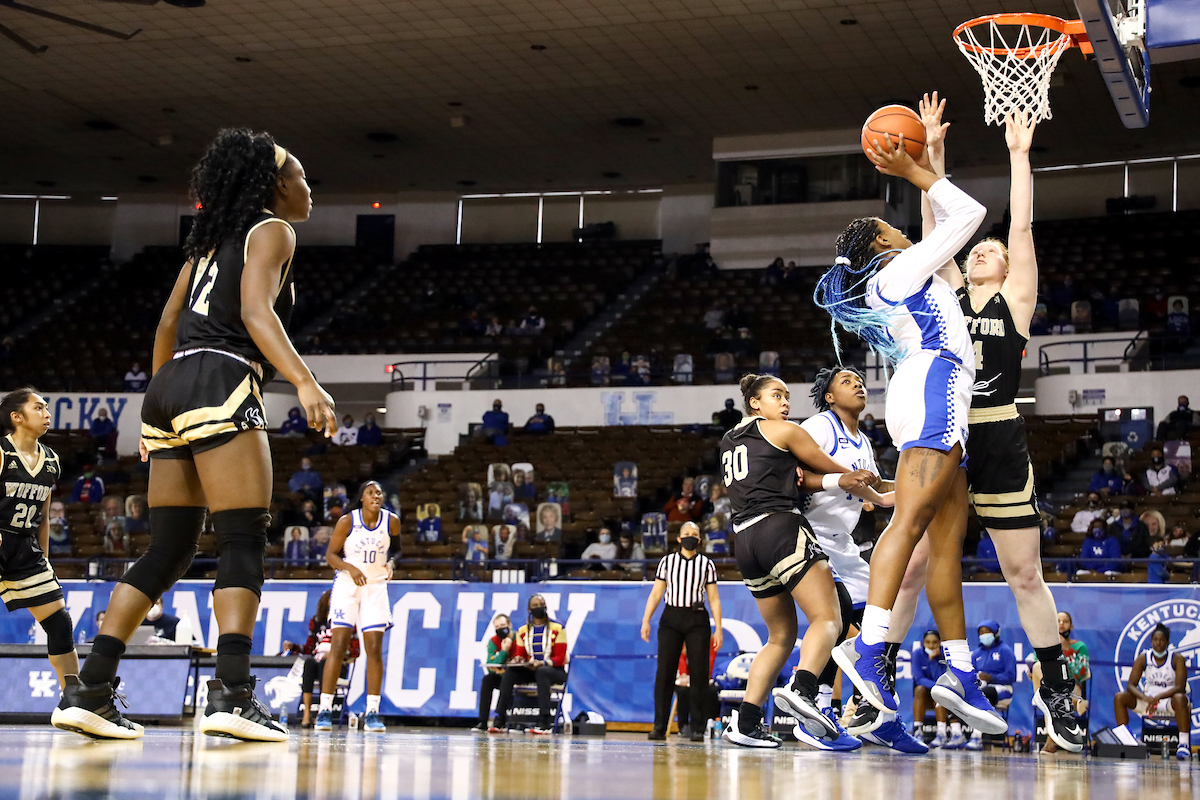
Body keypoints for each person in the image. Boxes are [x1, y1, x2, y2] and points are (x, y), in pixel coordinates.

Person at [54, 129, 336, 743]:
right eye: (302, 174)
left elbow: (165, 324)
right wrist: (307, 383)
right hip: (222, 374)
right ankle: (232, 694)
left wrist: (161, 414)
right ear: (275, 186)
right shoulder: (274, 230)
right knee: (242, 537)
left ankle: (90, 690)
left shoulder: (205, 245)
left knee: (168, 549)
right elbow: (258, 314)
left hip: (170, 383)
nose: (309, 187)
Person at [887, 101, 1083, 752]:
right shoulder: (942, 289)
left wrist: (1019, 155)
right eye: (979, 250)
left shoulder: (1014, 300)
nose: (984, 253)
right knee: (913, 563)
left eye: (992, 251)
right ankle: (879, 682)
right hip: (944, 431)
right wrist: (931, 160)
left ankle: (1055, 689)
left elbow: (1021, 226)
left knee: (1023, 573)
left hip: (996, 435)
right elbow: (936, 231)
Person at [819, 93, 1004, 741]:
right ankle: (868, 648)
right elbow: (970, 213)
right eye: (889, 225)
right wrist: (915, 170)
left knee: (946, 540)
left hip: (930, 389)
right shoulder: (897, 270)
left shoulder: (902, 272)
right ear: (879, 244)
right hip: (934, 386)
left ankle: (958, 670)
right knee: (910, 521)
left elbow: (940, 225)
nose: (901, 228)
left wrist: (932, 154)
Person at [718, 374, 879, 749]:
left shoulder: (730, 440)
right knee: (828, 619)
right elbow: (829, 465)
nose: (785, 403)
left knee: (780, 636)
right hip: (780, 528)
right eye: (776, 395)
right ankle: (803, 688)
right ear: (755, 403)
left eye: (787, 396)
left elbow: (798, 476)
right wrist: (857, 481)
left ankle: (746, 721)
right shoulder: (785, 431)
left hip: (744, 540)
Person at [799, 366, 925, 753]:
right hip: (811, 536)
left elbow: (878, 494)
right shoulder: (820, 425)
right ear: (830, 396)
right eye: (846, 381)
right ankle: (818, 711)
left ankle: (876, 716)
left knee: (875, 628)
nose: (857, 384)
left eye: (859, 380)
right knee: (838, 622)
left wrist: (924, 493)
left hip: (845, 543)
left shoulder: (863, 441)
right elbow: (796, 475)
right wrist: (847, 482)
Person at [0, 389, 80, 695]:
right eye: (39, 407)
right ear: (17, 417)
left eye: (47, 408)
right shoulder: (1, 453)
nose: (47, 413)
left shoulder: (51, 460)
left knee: (59, 623)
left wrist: (44, 559)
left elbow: (43, 517)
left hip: (24, 547)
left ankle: (75, 700)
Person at [315, 482, 399, 733]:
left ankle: (372, 712)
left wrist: (392, 563)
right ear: (361, 498)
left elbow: (398, 550)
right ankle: (324, 710)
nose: (376, 496)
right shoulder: (347, 522)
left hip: (375, 586)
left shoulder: (391, 521)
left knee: (374, 648)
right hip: (347, 586)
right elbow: (331, 556)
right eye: (371, 493)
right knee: (338, 645)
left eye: (379, 493)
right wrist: (351, 568)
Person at [640, 522, 723, 742]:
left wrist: (719, 628)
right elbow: (657, 593)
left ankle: (697, 727)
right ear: (678, 538)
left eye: (694, 534)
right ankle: (659, 726)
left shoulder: (707, 564)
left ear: (700, 540)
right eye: (686, 534)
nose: (690, 537)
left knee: (699, 674)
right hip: (671, 617)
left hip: (697, 618)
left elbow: (713, 598)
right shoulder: (667, 561)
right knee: (665, 672)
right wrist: (646, 619)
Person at [489, 595, 569, 735]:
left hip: (554, 671)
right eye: (535, 605)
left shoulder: (558, 628)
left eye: (541, 604)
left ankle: (544, 720)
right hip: (533, 669)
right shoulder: (523, 631)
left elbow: (561, 658)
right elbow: (521, 654)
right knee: (510, 672)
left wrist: (543, 662)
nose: (539, 607)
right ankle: (500, 718)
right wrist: (519, 660)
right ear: (529, 609)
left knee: (542, 671)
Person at [280, 589, 360, 728]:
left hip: (338, 665)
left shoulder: (348, 623)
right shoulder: (317, 621)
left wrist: (338, 654)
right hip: (316, 662)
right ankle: (306, 715)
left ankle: (323, 711)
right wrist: (293, 647)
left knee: (326, 662)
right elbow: (310, 648)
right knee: (309, 662)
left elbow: (355, 651)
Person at [1113, 623, 1192, 760]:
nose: (1158, 643)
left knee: (1180, 698)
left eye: (1162, 640)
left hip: (1169, 702)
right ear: (1151, 641)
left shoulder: (1177, 658)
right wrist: (1145, 697)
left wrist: (1159, 696)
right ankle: (1126, 740)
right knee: (1120, 697)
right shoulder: (1144, 657)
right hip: (1148, 702)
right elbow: (1130, 686)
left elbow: (1180, 687)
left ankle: (1183, 744)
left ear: (1167, 642)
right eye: (1155, 640)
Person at [1031, 611, 1091, 755]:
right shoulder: (1044, 646)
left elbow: (1082, 673)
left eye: (1065, 621)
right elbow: (1034, 669)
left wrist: (1064, 654)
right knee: (1038, 668)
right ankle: (1055, 700)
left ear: (1071, 626)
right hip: (1051, 686)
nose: (1061, 624)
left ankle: (1050, 742)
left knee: (1051, 697)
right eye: (1058, 621)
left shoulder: (1079, 647)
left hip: (1072, 687)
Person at [962, 620, 1016, 751]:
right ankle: (956, 735)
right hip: (981, 687)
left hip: (1003, 688)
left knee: (984, 693)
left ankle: (976, 737)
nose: (984, 635)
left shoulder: (1005, 651)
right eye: (981, 632)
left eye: (987, 632)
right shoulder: (976, 653)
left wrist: (993, 677)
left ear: (996, 633)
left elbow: (1012, 676)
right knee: (962, 692)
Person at [473, 614, 513, 731]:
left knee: (508, 679)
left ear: (509, 625)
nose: (500, 629)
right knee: (488, 679)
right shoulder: (493, 641)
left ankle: (500, 719)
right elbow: (491, 664)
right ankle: (483, 721)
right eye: (497, 627)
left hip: (516, 677)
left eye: (503, 625)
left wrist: (501, 668)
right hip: (502, 676)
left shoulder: (518, 638)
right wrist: (504, 651)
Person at [911, 630, 949, 747]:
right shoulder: (917, 654)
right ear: (923, 643)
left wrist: (935, 660)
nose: (931, 646)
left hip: (943, 695)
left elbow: (945, 679)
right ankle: (918, 731)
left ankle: (942, 733)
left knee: (939, 692)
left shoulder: (946, 655)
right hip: (926, 695)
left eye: (934, 642)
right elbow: (918, 679)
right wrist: (935, 685)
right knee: (919, 689)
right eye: (928, 642)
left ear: (940, 642)